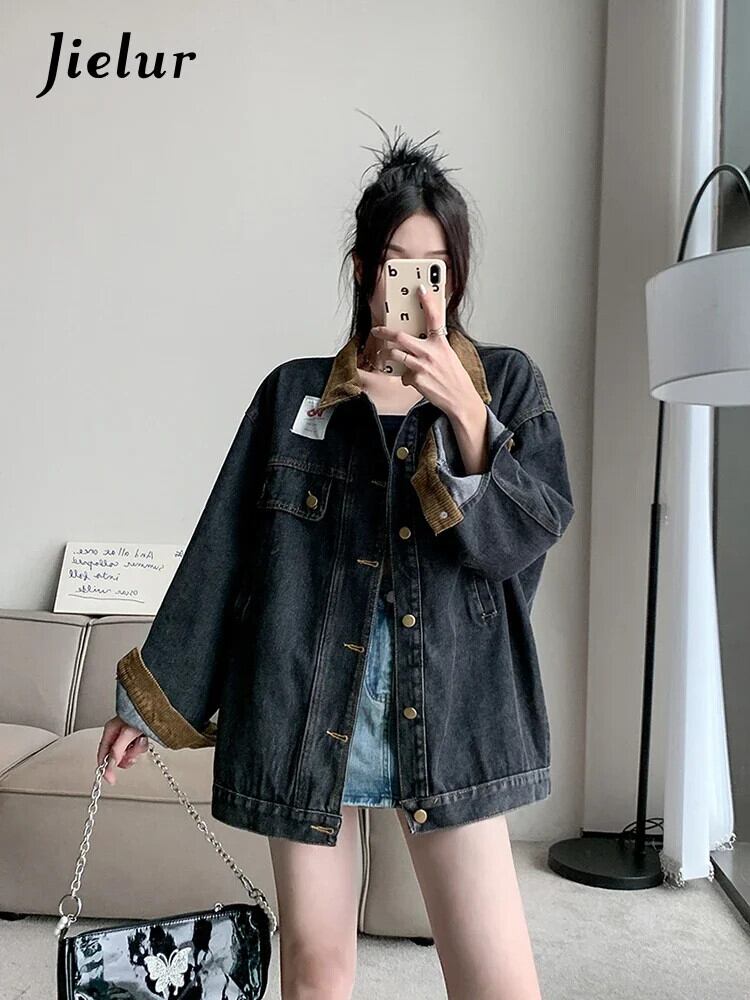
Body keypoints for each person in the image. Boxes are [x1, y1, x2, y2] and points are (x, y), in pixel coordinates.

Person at [98, 120, 574, 1000]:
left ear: (456, 278)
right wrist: (150, 698)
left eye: (436, 269)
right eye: (397, 265)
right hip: (309, 710)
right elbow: (224, 551)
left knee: (498, 984)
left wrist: (467, 418)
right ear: (363, 270)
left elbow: (522, 538)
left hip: (452, 715)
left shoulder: (504, 384)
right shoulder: (295, 395)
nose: (417, 288)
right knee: (316, 976)